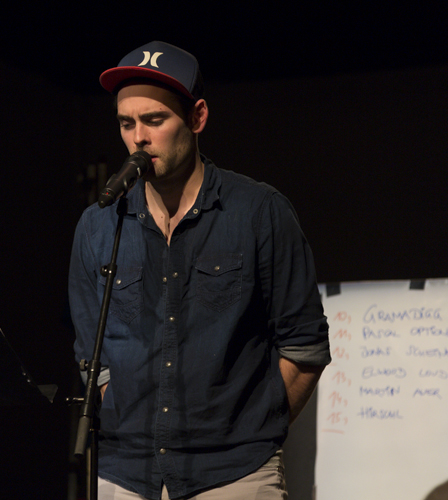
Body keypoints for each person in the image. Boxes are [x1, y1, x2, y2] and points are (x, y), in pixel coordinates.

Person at [69, 41, 331, 500]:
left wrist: (250, 433)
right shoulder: (98, 225)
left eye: (154, 120)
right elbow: (95, 358)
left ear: (197, 117)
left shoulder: (259, 212)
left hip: (234, 475)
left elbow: (304, 347)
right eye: (127, 123)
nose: (138, 138)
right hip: (124, 474)